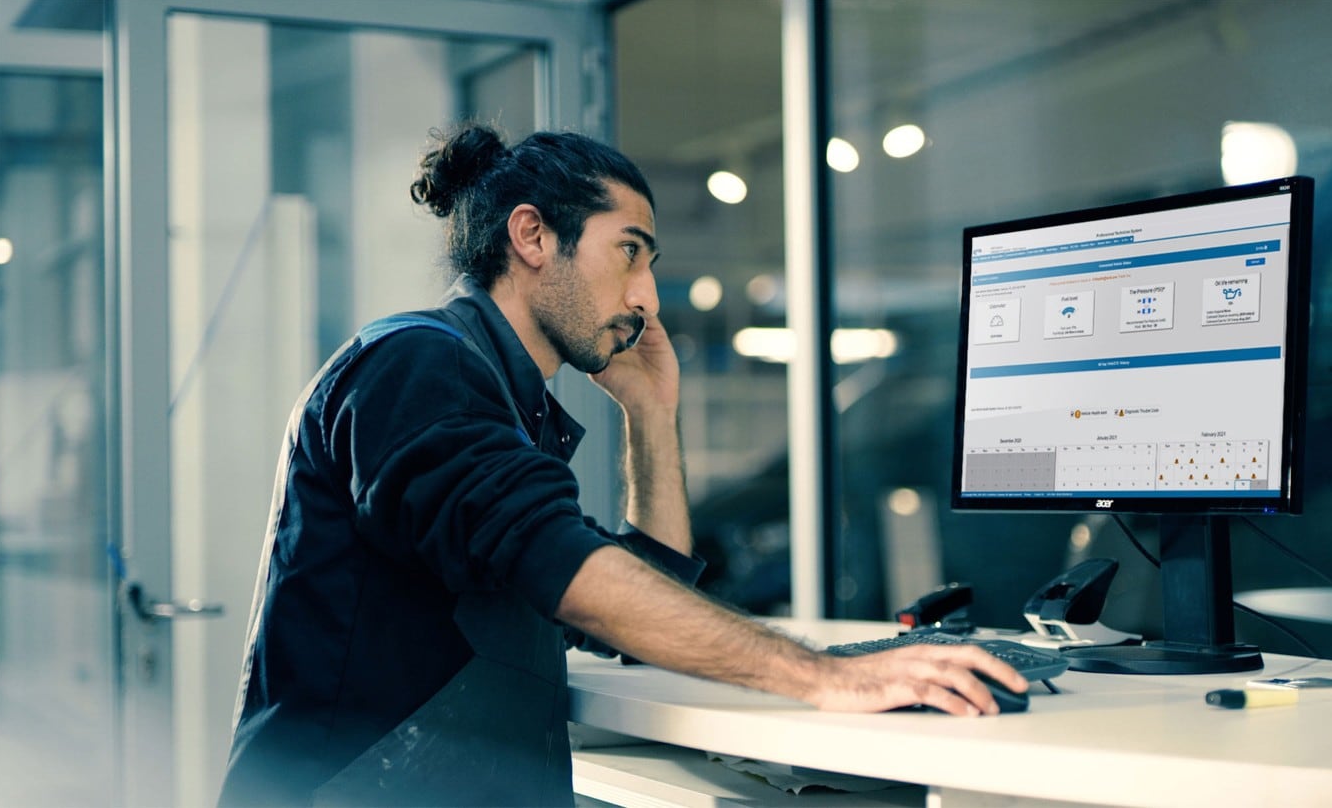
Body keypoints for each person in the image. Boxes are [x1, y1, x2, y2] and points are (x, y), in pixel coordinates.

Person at [218, 121, 1027, 807]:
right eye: (629, 253)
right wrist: (823, 677)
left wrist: (650, 413)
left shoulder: (497, 401)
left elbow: (635, 601)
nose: (647, 298)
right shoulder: (417, 367)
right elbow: (562, 563)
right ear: (532, 236)